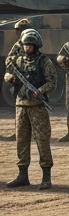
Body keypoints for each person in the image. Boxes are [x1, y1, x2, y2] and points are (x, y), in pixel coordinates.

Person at [4, 28, 56, 189]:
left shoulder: (44, 62)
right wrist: (9, 78)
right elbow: (7, 73)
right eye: (25, 45)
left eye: (30, 45)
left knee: (42, 140)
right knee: (21, 141)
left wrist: (40, 90)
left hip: (38, 107)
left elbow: (52, 83)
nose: (27, 48)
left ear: (36, 45)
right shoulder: (18, 61)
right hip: (21, 106)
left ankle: (46, 176)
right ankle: (22, 175)